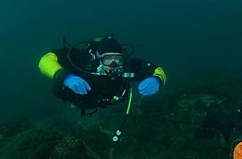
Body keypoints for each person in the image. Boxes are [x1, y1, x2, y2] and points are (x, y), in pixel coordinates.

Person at [38, 36, 167, 116]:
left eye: (118, 59)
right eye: (108, 59)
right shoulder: (81, 60)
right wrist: (65, 77)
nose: (114, 64)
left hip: (105, 103)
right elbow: (45, 60)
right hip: (75, 101)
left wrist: (157, 80)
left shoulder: (127, 66)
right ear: (99, 59)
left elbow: (158, 70)